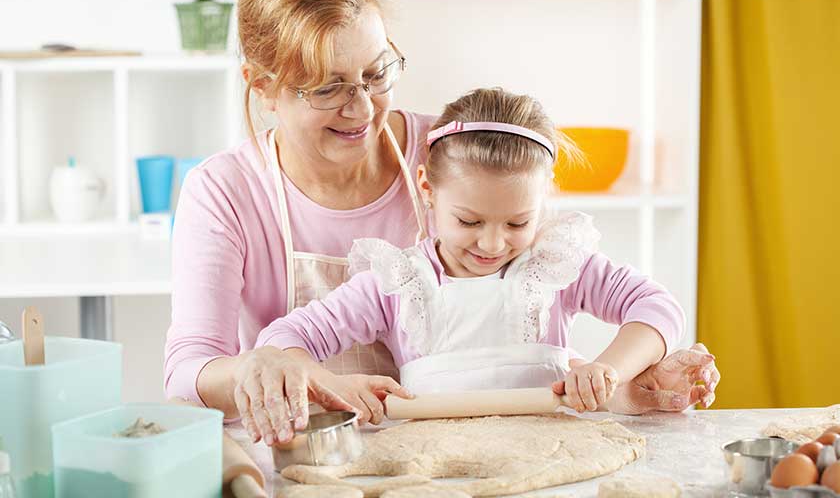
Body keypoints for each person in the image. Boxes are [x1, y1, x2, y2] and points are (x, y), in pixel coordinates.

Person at [163, 0, 719, 447]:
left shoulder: (459, 152)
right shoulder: (225, 191)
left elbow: (515, 326)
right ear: (264, 87)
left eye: (377, 73)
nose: (361, 110)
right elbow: (189, 372)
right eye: (329, 87)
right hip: (310, 448)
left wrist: (626, 382)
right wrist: (279, 368)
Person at [252, 87, 716, 445]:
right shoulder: (397, 281)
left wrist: (607, 370)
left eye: (518, 221)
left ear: (543, 198)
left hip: (552, 461)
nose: (493, 243)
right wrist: (335, 385)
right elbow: (280, 341)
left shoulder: (554, 264)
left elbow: (658, 308)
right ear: (427, 190)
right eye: (468, 221)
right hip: (436, 470)